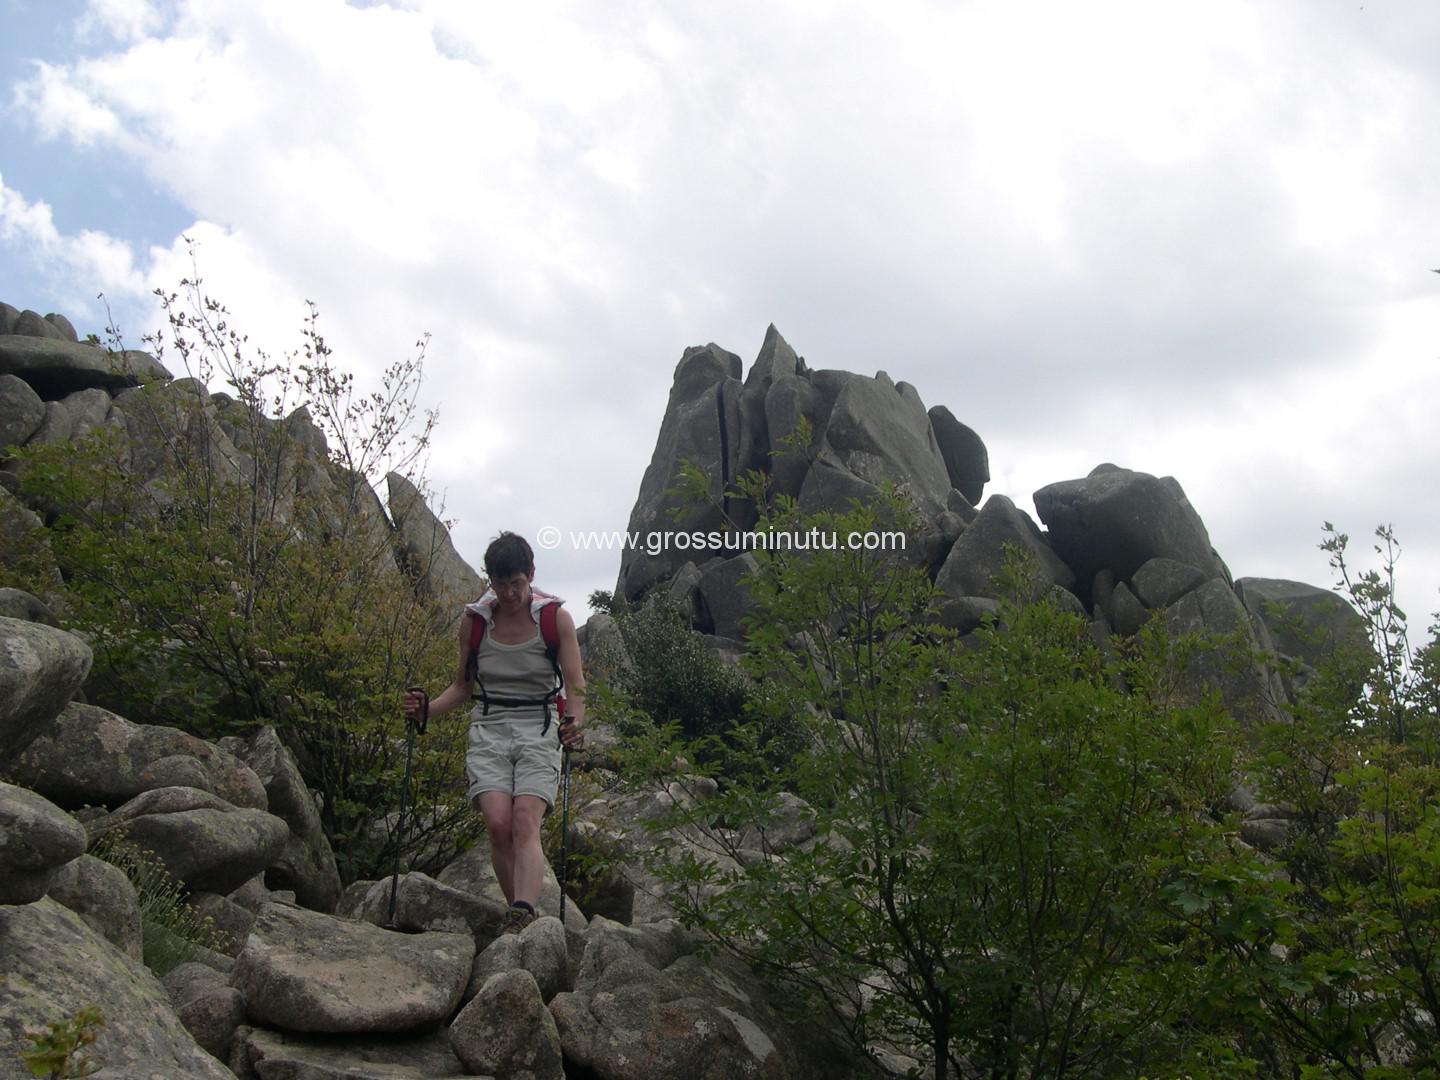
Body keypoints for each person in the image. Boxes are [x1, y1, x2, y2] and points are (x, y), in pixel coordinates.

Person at [405, 532, 585, 934]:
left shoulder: (555, 619)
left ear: (531, 575)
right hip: (488, 728)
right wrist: (425, 711)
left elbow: (576, 685)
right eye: (500, 584)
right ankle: (518, 915)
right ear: (490, 580)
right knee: (498, 823)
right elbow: (462, 687)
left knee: (524, 819)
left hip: (540, 726)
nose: (508, 594)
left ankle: (521, 912)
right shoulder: (476, 622)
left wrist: (574, 723)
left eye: (516, 583)